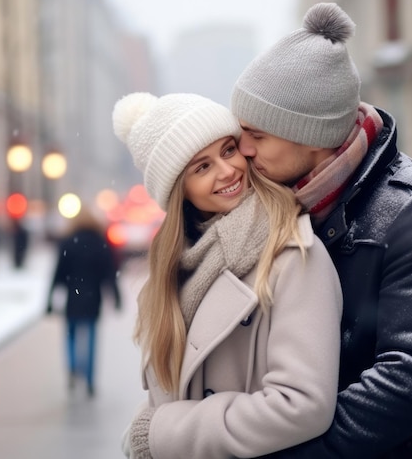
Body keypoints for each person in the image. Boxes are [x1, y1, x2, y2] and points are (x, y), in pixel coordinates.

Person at [230, 2, 412, 459]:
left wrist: (279, 451)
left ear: (310, 133)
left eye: (257, 134)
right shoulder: (281, 204)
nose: (242, 149)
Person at [112, 92, 343, 458]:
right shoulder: (174, 271)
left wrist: (161, 434)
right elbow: (176, 390)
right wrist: (147, 424)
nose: (227, 171)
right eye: (201, 167)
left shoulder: (291, 253)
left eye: (228, 150)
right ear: (179, 192)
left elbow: (302, 404)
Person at [46, 204, 122, 396]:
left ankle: (72, 367)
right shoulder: (100, 242)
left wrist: (50, 298)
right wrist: (116, 296)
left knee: (71, 333)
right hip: (92, 297)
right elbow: (109, 273)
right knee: (90, 336)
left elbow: (58, 273)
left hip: (73, 296)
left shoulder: (68, 242)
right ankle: (88, 378)